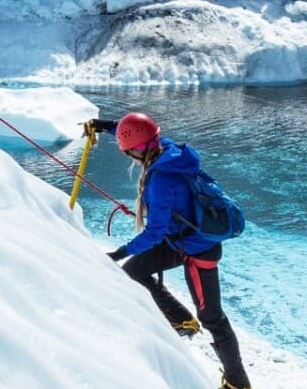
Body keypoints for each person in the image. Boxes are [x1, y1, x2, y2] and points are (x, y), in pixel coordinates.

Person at [92, 112, 252, 389]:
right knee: (133, 272)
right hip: (179, 242)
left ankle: (238, 383)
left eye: (128, 151)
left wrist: (120, 251)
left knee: (213, 317)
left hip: (198, 252)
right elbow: (139, 132)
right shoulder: (167, 149)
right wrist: (109, 126)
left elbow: (155, 232)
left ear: (138, 150)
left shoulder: (161, 181)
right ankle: (181, 320)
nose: (128, 155)